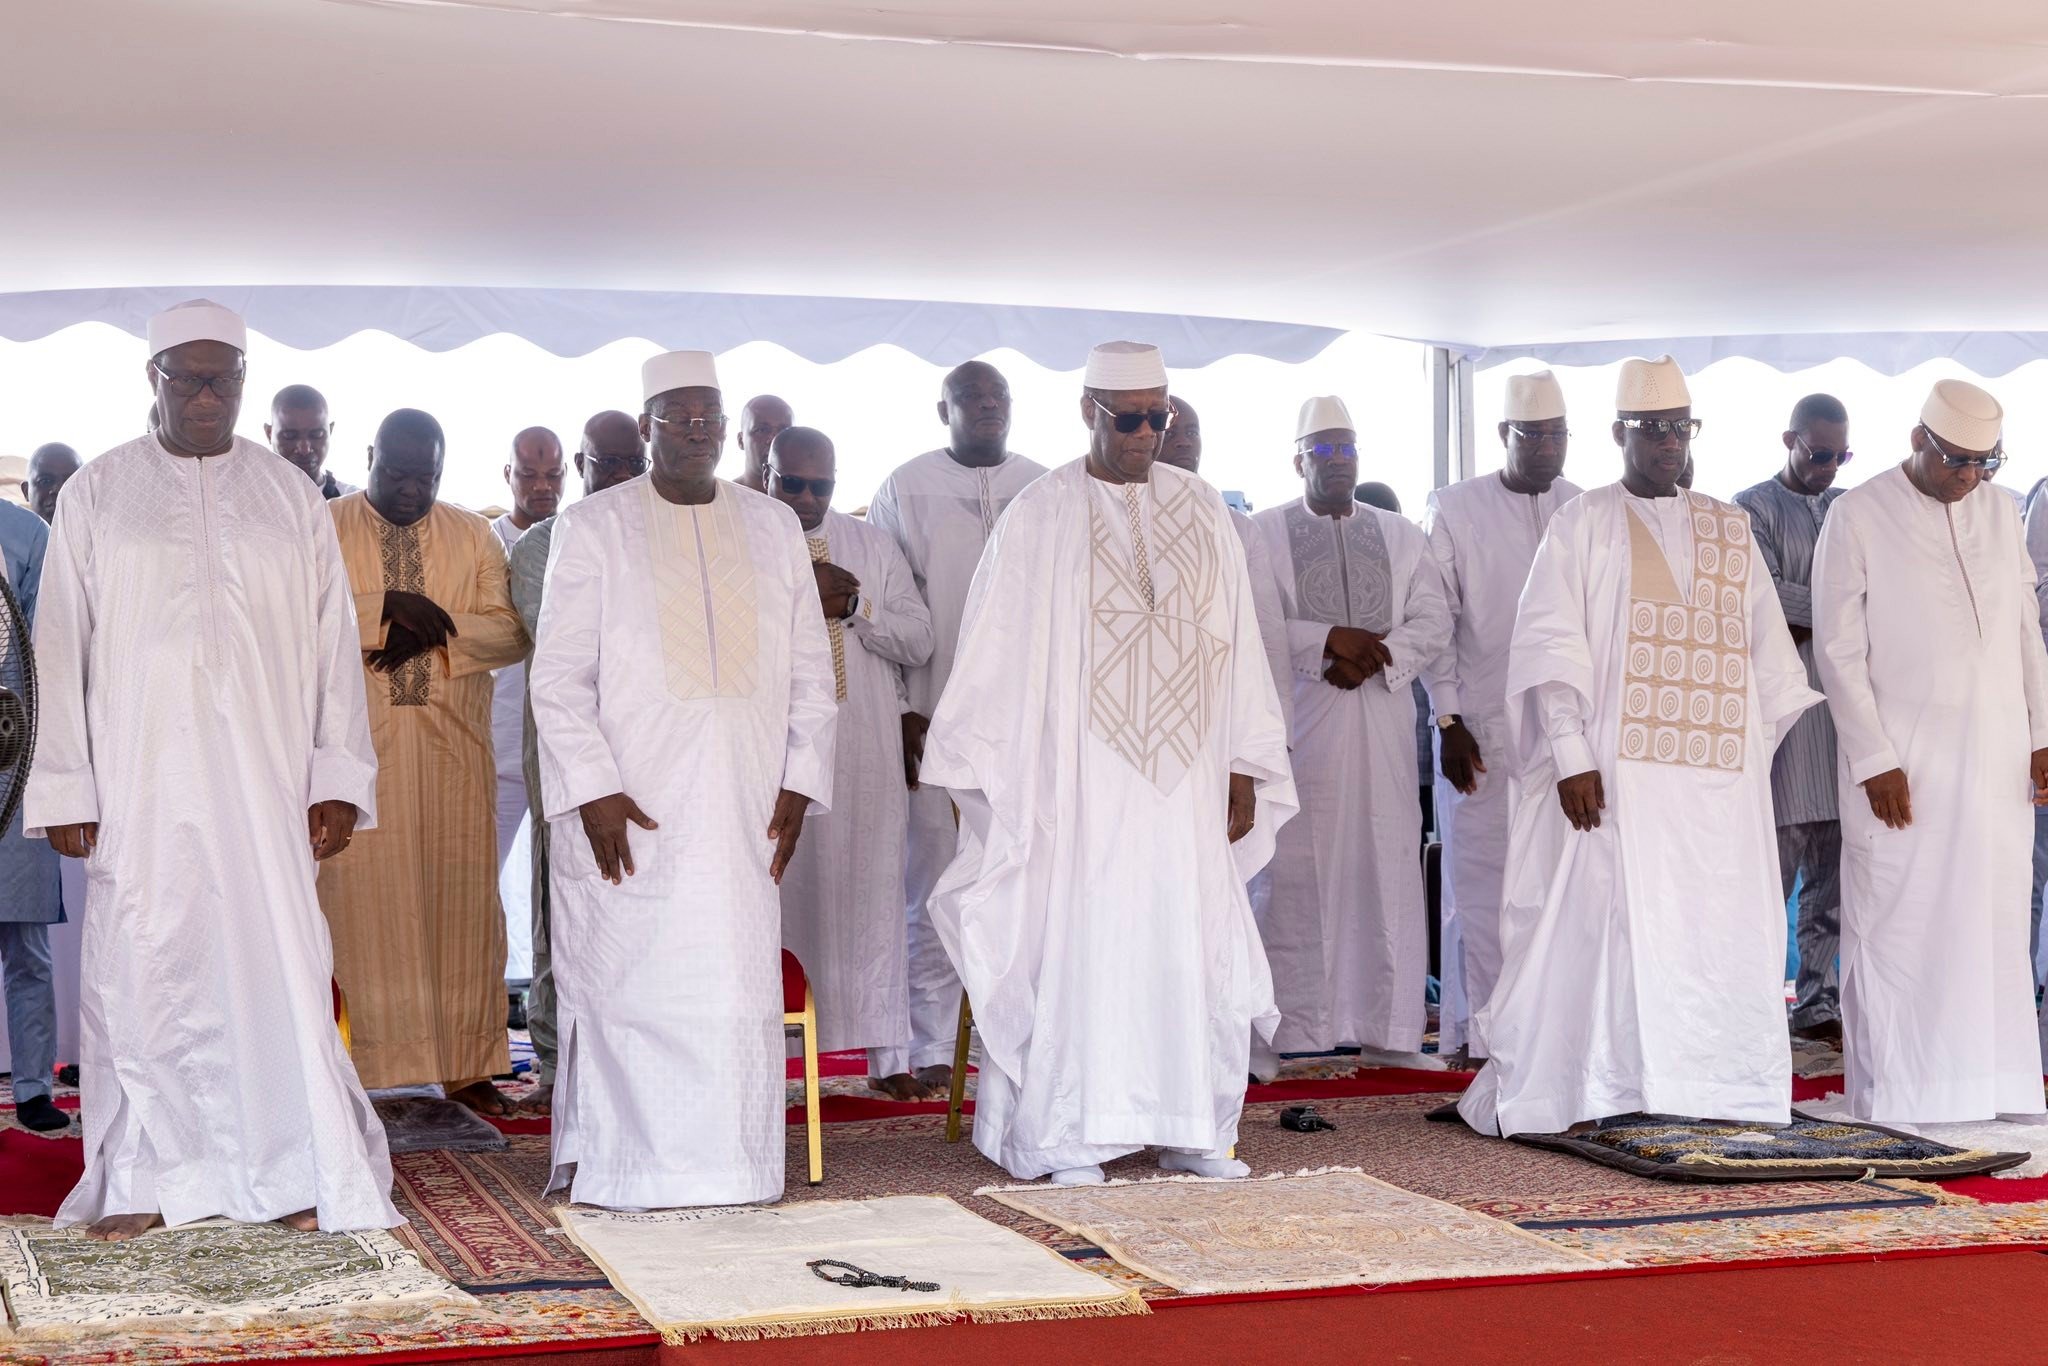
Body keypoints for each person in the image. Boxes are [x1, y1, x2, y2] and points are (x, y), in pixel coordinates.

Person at [27, 299, 395, 1239]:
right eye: (186, 378)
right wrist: (69, 786)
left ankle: (292, 1165)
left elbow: (329, 646)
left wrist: (337, 779)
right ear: (149, 381)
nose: (206, 396)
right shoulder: (99, 492)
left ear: (245, 382)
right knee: (145, 965)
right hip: (141, 781)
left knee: (278, 963)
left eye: (223, 379)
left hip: (267, 784)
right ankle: (145, 1179)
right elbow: (59, 645)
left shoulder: (286, 495)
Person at [925, 341, 1294, 1184]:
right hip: (1078, 789)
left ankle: (1193, 1124)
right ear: (1087, 412)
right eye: (1130, 418)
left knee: (1185, 940)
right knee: (1084, 945)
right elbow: (995, 653)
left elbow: (1236, 644)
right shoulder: (1041, 513)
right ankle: (1067, 1136)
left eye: (1159, 416)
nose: (1147, 433)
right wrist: (997, 776)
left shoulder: (1202, 509)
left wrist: (1241, 761)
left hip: (1185, 782)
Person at [1457, 355, 1820, 1136]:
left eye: (1678, 428)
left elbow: (1770, 661)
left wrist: (1738, 759)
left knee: (1711, 931)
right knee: (1614, 931)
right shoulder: (1582, 521)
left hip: (1718, 791)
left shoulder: (1730, 525)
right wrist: (1571, 755)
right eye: (1651, 428)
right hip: (1614, 780)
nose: (1666, 442)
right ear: (1620, 432)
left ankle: (1715, 1088)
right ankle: (1604, 1086)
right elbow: (1551, 646)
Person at [531, 350, 836, 1208]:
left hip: (743, 803)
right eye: (679, 417)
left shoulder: (772, 525)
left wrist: (801, 781)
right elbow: (558, 679)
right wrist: (589, 788)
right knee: (629, 978)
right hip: (630, 801)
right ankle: (629, 1171)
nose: (698, 432)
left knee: (732, 985)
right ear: (645, 427)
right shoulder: (593, 527)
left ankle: (735, 1168)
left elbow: (812, 670)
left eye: (711, 416)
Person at [1814, 379, 2048, 1123]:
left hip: (1998, 757)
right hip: (1903, 764)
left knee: (1992, 918)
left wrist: (2042, 735)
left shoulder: (2002, 512)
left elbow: (2024, 632)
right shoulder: (1857, 514)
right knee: (1901, 919)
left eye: (1986, 462)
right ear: (1919, 440)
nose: (1970, 476)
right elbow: (1838, 650)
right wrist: (1872, 757)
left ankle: (1991, 1087)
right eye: (1956, 459)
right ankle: (1901, 1093)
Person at [320, 409, 529, 1112]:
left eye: (426, 476)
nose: (411, 489)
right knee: (357, 914)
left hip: (452, 760)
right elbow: (296, 617)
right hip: (357, 760)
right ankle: (356, 1067)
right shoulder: (325, 526)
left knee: (461, 910)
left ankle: (468, 1065)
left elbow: (509, 630)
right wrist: (385, 611)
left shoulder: (472, 534)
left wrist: (433, 630)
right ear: (370, 456)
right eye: (398, 473)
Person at [1249, 397, 1451, 1079]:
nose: (1339, 463)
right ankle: (1284, 1033)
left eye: (1348, 450)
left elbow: (1433, 616)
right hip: (1302, 727)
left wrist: (1378, 655)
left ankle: (1389, 1035)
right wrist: (1325, 643)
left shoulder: (1400, 535)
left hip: (1384, 728)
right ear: (1299, 459)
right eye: (1324, 451)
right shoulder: (1263, 533)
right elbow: (1257, 623)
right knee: (1292, 875)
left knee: (1386, 868)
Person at [867, 361, 1046, 1090]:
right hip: (937, 717)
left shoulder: (1046, 485)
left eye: (998, 397)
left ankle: (1024, 1039)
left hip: (1032, 723)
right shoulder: (902, 487)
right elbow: (895, 601)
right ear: (943, 409)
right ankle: (932, 1044)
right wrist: (909, 706)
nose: (987, 408)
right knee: (935, 880)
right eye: (971, 398)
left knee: (1028, 881)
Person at [767, 427, 935, 1101]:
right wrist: (799, 595)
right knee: (781, 894)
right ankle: (766, 1053)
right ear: (768, 475)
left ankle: (888, 1055)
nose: (807, 498)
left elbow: (918, 640)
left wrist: (857, 606)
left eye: (821, 486)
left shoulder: (871, 542)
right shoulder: (750, 538)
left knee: (875, 898)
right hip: (780, 745)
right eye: (793, 483)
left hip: (864, 741)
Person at [1422, 372, 1583, 1063]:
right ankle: (1482, 1035)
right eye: (1534, 435)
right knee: (1481, 886)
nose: (1547, 448)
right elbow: (1436, 621)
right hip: (1479, 729)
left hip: (1565, 734)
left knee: (1559, 882)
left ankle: (1552, 1031)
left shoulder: (1586, 508)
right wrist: (1448, 720)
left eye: (1557, 435)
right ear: (1504, 437)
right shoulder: (1456, 508)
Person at [507, 411, 646, 1100]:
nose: (619, 477)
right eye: (604, 463)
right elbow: (578, 652)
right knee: (557, 903)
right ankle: (561, 1067)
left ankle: (641, 1057)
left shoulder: (671, 537)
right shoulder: (542, 546)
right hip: (569, 758)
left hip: (661, 759)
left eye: (630, 463)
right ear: (582, 470)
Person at [1734, 395, 1851, 1047]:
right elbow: (1765, 603)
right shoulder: (1751, 508)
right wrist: (1847, 609)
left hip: (1843, 723)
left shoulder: (1848, 509)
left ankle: (1816, 1004)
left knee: (1832, 887)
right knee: (1769, 879)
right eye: (1819, 453)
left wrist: (1823, 611)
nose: (1831, 468)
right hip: (1784, 723)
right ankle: (1749, 1002)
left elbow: (1875, 596)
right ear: (1790, 440)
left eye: (1841, 455)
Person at [1157, 396, 1291, 731]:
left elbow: (1268, 635)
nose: (1185, 441)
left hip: (1222, 709)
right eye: (1171, 434)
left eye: (1192, 432)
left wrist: (1278, 729)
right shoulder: (1119, 521)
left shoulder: (1239, 528)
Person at [489, 427, 565, 996]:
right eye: (528, 474)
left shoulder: (577, 538)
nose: (541, 486)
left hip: (556, 751)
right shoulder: (484, 542)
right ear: (507, 476)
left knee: (554, 896)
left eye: (552, 475)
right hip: (493, 747)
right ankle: (474, 1027)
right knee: (473, 890)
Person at [0, 497, 64, 1131]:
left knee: (27, 944)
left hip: (14, 758)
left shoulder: (24, 533)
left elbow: (42, 649)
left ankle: (32, 1088)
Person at [266, 384, 356, 498]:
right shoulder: (248, 500)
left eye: (317, 435)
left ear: (330, 431)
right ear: (269, 433)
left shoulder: (353, 503)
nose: (304, 450)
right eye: (289, 435)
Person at [733, 395, 795, 492]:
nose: (773, 439)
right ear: (741, 441)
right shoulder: (721, 500)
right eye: (762, 430)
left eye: (784, 431)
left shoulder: (807, 502)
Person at [24, 444, 81, 524]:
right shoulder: (9, 534)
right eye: (45, 481)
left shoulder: (101, 532)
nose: (59, 490)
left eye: (70, 482)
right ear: (26, 491)